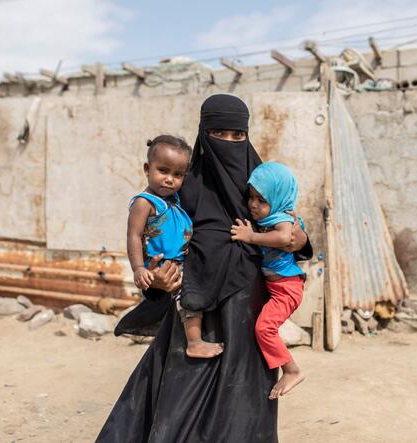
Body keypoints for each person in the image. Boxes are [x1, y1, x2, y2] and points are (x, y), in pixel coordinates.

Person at [97, 94, 312, 443]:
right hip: (197, 311)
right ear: (203, 132)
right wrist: (157, 281)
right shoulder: (185, 185)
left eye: (237, 136)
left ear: (247, 136)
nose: (228, 144)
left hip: (247, 312)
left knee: (242, 408)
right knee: (179, 404)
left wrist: (299, 238)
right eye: (218, 134)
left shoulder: (257, 182)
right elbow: (158, 242)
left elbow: (290, 229)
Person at [127, 135, 223, 359]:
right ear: (147, 168)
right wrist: (138, 268)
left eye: (177, 174)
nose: (169, 179)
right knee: (188, 300)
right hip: (165, 264)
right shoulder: (145, 203)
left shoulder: (174, 199)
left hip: (180, 260)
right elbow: (134, 235)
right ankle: (194, 342)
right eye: (163, 170)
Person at [230, 162, 306, 400]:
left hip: (287, 288)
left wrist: (250, 236)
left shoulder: (282, 217)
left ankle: (292, 370)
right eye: (251, 197)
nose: (253, 204)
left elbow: (285, 237)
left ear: (278, 197)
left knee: (265, 328)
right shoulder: (270, 216)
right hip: (277, 287)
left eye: (261, 200)